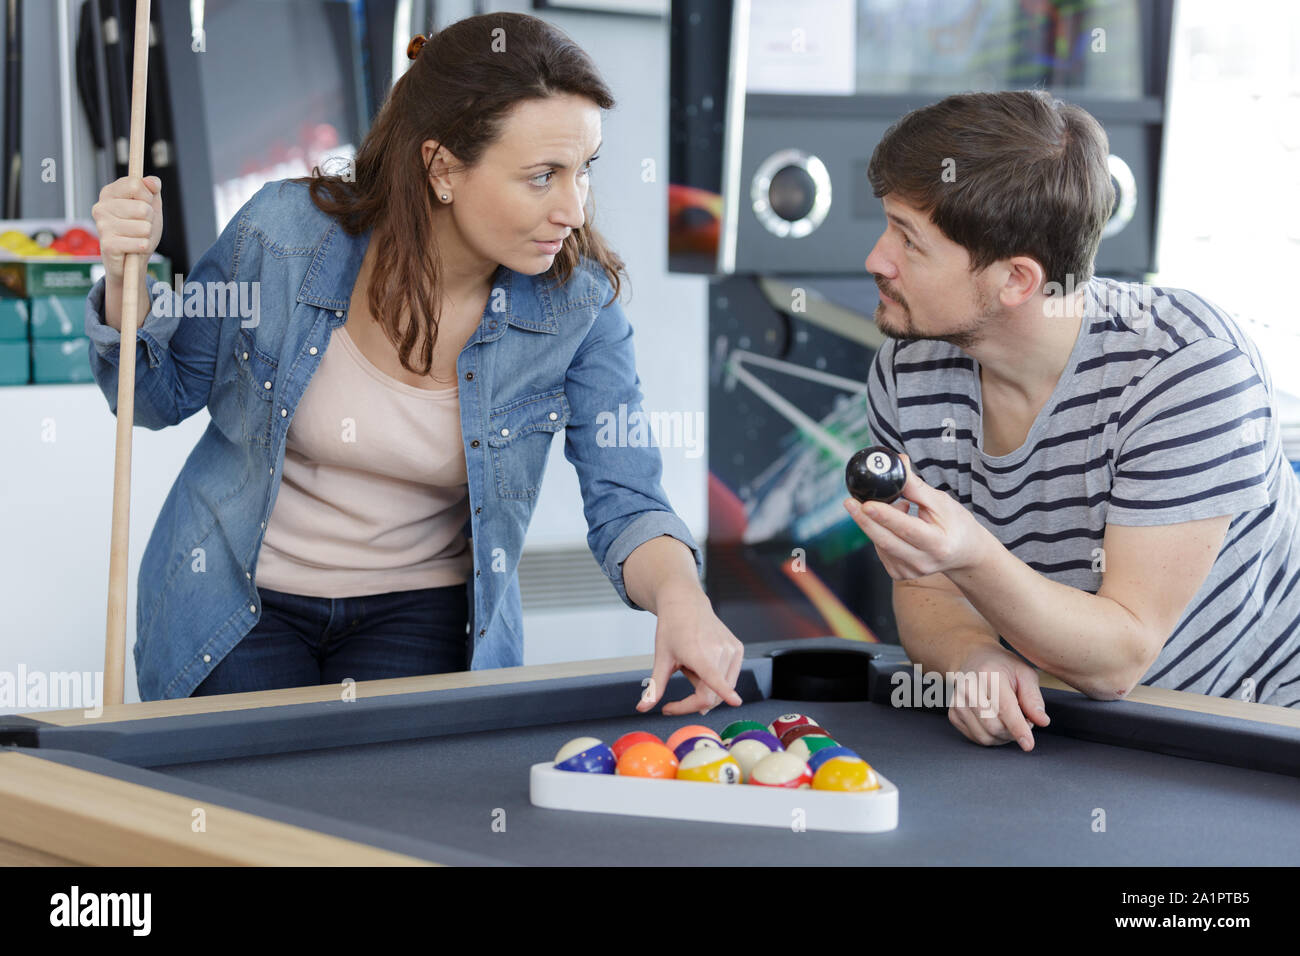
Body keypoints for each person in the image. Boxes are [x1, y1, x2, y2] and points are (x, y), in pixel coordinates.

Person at [85, 12, 742, 712]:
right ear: (442, 168)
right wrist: (130, 282)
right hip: (235, 600)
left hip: (419, 612)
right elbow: (153, 398)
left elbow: (629, 501)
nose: (574, 210)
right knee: (245, 815)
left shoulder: (578, 308)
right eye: (543, 176)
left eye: (584, 171)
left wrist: (683, 601)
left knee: (385, 816)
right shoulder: (281, 239)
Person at [843, 90, 1300, 746]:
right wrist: (973, 657)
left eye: (910, 243)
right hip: (1075, 734)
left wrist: (970, 551)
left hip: (1260, 742)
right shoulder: (908, 369)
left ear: (1017, 281)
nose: (877, 260)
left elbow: (1121, 655)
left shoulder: (1188, 366)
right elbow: (930, 591)